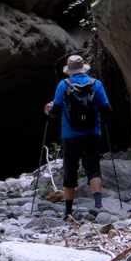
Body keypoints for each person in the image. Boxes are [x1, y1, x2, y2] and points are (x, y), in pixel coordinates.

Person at [44, 54, 110, 220]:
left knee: (70, 171)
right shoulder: (96, 84)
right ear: (83, 68)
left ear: (69, 70)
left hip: (70, 136)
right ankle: (98, 206)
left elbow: (55, 111)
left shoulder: (63, 85)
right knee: (93, 168)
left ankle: (68, 212)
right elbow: (107, 109)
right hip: (92, 134)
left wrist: (48, 110)